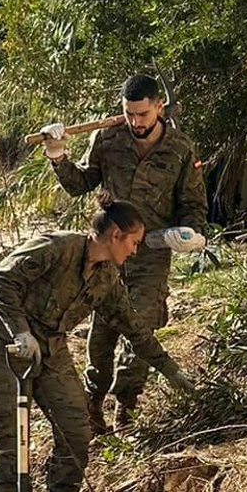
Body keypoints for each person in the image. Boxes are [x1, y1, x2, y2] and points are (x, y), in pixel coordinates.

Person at [0, 200, 191, 492]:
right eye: (134, 243)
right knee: (10, 436)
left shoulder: (106, 278)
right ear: (116, 235)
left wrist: (170, 370)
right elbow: (0, 278)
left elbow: (132, 327)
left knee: (76, 428)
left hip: (52, 349)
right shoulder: (57, 248)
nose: (135, 252)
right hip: (8, 345)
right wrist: (20, 329)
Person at [43, 72, 207, 430]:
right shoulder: (108, 138)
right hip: (108, 251)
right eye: (129, 114)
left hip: (151, 252)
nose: (135, 122)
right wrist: (58, 156)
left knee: (141, 327)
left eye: (143, 115)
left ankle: (126, 409)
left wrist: (192, 234)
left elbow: (193, 203)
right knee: (102, 332)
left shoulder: (180, 148)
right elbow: (80, 184)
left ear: (159, 108)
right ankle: (92, 405)